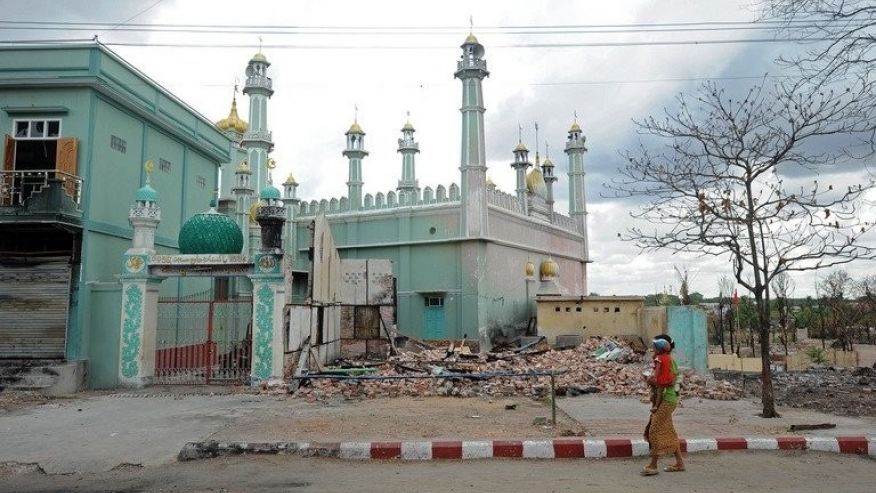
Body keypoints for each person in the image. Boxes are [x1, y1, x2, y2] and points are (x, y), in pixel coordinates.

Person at [641, 334, 685, 476]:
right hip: (666, 399)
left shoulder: (667, 361)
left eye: (654, 347)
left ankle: (653, 465)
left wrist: (653, 381)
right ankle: (680, 463)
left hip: (667, 399)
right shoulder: (664, 360)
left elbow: (670, 381)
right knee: (668, 430)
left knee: (654, 430)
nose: (653, 349)